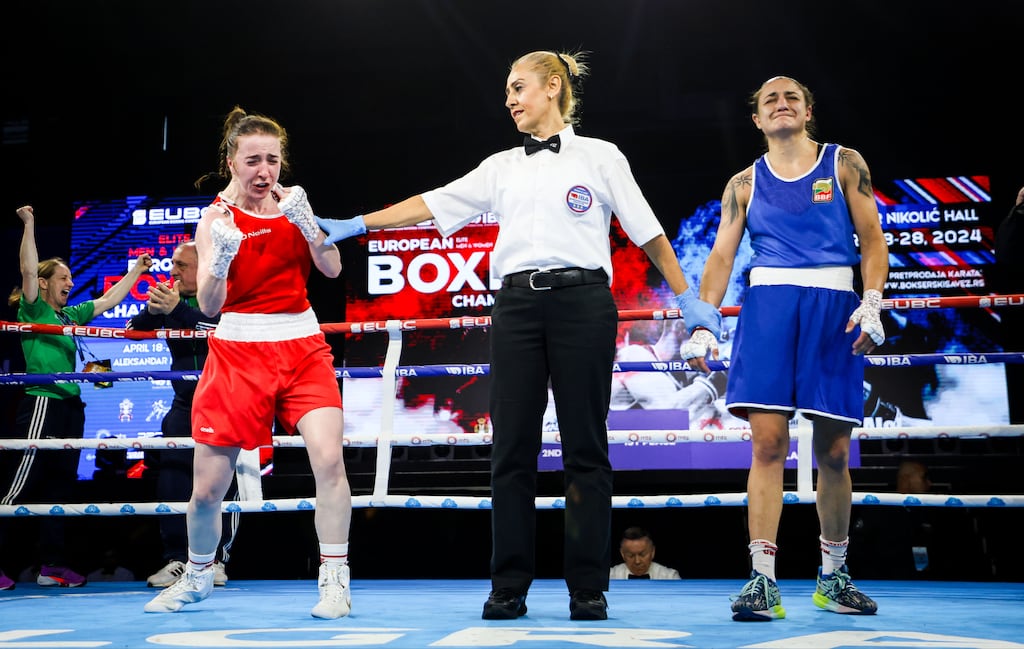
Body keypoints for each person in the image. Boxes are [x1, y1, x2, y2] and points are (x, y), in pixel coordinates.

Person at [314, 50, 715, 621]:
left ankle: (588, 586)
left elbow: (647, 229)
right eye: (506, 89)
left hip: (583, 301)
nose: (508, 98)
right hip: (517, 305)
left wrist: (686, 296)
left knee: (585, 448)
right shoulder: (500, 165)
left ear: (553, 87)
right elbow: (431, 202)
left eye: (517, 86)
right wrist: (360, 224)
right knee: (511, 451)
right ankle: (508, 586)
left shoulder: (601, 156)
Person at [681, 76, 889, 621]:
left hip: (833, 305)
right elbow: (722, 258)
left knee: (835, 452)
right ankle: (762, 581)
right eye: (770, 99)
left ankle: (834, 576)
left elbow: (872, 239)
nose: (781, 103)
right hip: (769, 305)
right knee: (767, 446)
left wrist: (871, 300)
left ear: (808, 110)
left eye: (790, 96)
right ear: (757, 118)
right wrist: (705, 323)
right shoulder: (743, 183)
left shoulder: (845, 163)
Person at [143, 106, 354, 619]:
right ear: (232, 162)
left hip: (301, 342)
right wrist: (218, 258)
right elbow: (211, 306)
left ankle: (335, 582)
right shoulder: (215, 218)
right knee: (207, 488)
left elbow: (331, 268)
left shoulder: (294, 202)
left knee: (329, 462)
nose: (265, 172)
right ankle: (195, 576)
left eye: (273, 161)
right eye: (254, 160)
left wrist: (307, 224)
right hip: (238, 348)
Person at [1, 205, 153, 589]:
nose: (70, 282)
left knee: (59, 490)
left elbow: (107, 302)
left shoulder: (70, 316)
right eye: (63, 277)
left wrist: (137, 271)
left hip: (71, 407)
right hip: (43, 402)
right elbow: (26, 269)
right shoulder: (33, 307)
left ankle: (51, 566)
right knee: (18, 487)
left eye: (71, 277)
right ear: (46, 283)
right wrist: (31, 223)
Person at [126, 241, 234, 589]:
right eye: (172, 264)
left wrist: (180, 311)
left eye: (180, 265)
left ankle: (215, 561)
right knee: (171, 477)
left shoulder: (227, 293)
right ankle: (176, 560)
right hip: (183, 406)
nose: (172, 270)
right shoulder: (173, 298)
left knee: (219, 483)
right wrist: (154, 310)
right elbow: (134, 331)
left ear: (203, 267)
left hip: (225, 403)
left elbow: (224, 331)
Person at [609, 527, 680, 580]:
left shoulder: (670, 577)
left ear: (653, 552)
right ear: (622, 554)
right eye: (631, 556)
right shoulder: (610, 577)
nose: (637, 561)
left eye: (642, 555)